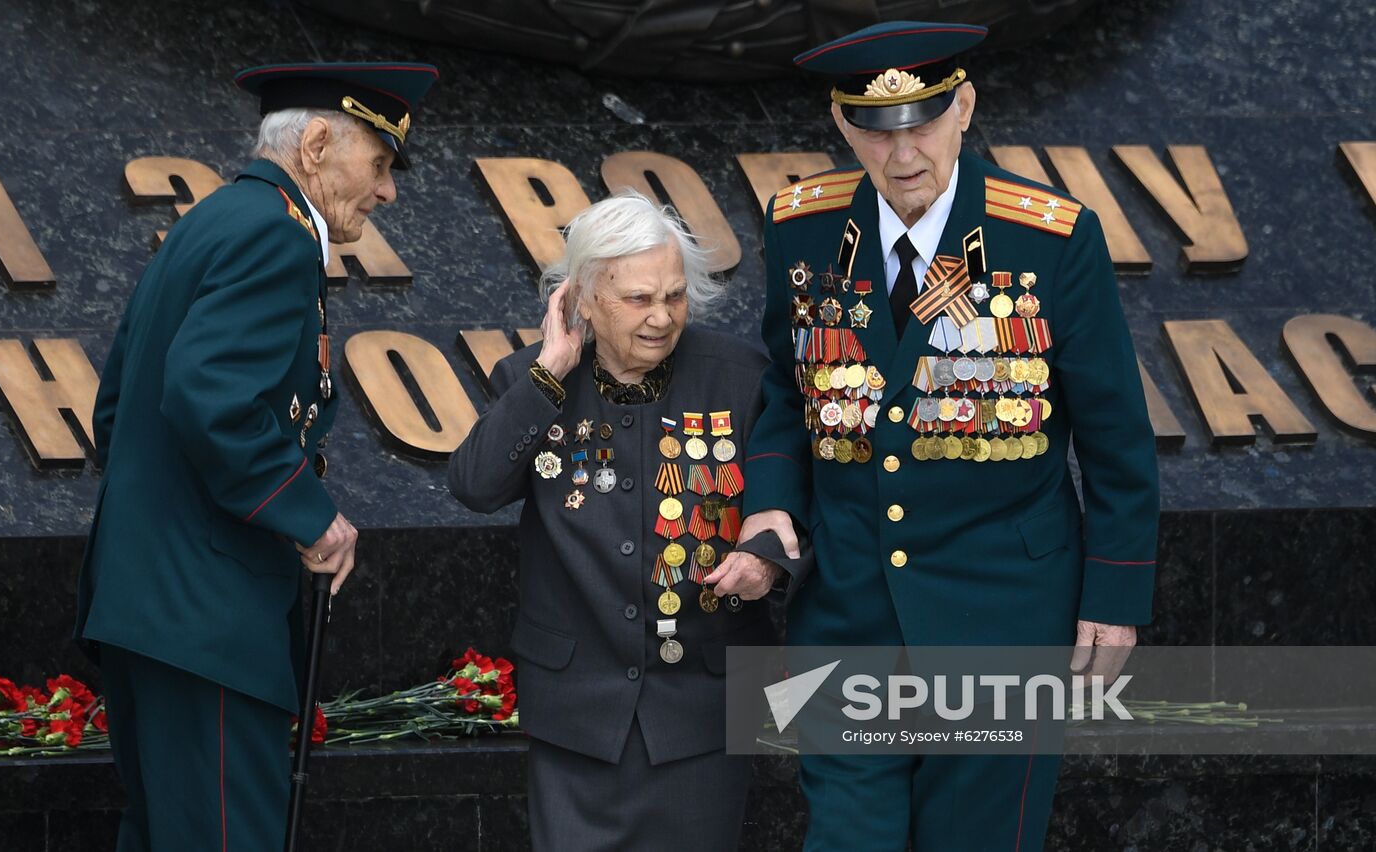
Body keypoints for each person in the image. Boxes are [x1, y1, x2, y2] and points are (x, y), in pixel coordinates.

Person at [715, 21, 1161, 851]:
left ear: (964, 108)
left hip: (1002, 611)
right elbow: (789, 387)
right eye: (878, 133)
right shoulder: (800, 226)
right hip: (845, 609)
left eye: (923, 124)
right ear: (845, 127)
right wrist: (772, 508)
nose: (904, 155)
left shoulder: (1051, 237)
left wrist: (1115, 599)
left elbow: (1115, 435)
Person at [74, 62, 438, 850]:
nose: (387, 192)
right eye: (379, 165)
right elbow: (209, 394)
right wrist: (310, 515)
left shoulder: (216, 219)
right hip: (208, 619)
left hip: (152, 607)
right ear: (315, 144)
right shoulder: (276, 232)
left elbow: (116, 409)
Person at [448, 190, 776, 851]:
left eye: (675, 296)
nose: (662, 317)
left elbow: (794, 497)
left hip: (705, 707)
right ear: (587, 297)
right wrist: (548, 374)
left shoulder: (739, 376)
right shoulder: (534, 378)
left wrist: (766, 557)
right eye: (639, 299)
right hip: (577, 715)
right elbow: (474, 487)